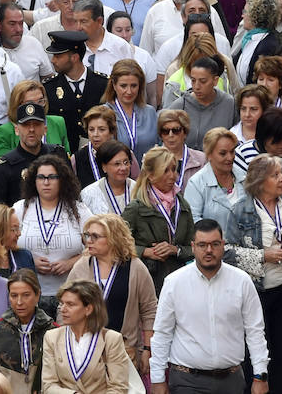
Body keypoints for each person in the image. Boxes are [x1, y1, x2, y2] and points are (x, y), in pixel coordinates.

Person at [148, 218, 268, 394]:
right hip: (186, 380)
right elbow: (162, 333)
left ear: (223, 245)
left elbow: (255, 331)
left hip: (231, 380)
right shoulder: (174, 282)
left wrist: (260, 376)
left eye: (215, 244)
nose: (209, 250)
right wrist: (157, 379)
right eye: (202, 245)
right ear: (193, 246)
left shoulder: (242, 281)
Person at [223, 154, 282, 394]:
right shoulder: (240, 210)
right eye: (275, 175)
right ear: (260, 181)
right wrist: (263, 256)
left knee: (281, 349)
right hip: (255, 292)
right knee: (255, 350)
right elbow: (227, 252)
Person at [65, 212, 156, 377]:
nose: (89, 241)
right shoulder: (82, 266)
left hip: (124, 352)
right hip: (85, 352)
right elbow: (64, 307)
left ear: (114, 238)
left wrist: (147, 349)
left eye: (95, 236)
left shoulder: (135, 267)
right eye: (87, 235)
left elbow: (149, 310)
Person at [12, 154, 89, 303]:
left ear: (62, 180)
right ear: (34, 181)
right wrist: (29, 261)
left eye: (52, 177)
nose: (46, 182)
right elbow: (4, 244)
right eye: (41, 177)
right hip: (28, 297)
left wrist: (72, 262)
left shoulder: (78, 210)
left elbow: (97, 246)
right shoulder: (21, 208)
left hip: (72, 294)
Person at [40, 279, 133, 394]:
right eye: (62, 303)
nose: (63, 309)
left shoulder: (111, 339)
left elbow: (119, 387)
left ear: (88, 309)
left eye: (70, 304)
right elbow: (48, 385)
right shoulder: (52, 337)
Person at [123, 147, 194, 294]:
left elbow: (193, 247)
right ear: (150, 175)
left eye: (174, 169)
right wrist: (145, 251)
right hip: (147, 281)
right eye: (165, 170)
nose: (172, 176)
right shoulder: (136, 208)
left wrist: (176, 250)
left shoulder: (183, 206)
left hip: (179, 280)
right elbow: (117, 245)